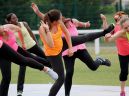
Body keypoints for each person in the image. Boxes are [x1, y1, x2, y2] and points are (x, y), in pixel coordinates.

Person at [31, 3, 114, 96]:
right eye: (60, 18)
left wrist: (70, 48)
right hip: (53, 54)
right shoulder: (43, 29)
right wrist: (47, 31)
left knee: (84, 38)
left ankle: (104, 32)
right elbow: (50, 45)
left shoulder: (58, 22)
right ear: (55, 21)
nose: (62, 19)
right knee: (61, 79)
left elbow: (66, 33)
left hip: (62, 43)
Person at [0, 24, 58, 96]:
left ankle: (47, 68)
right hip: (2, 55)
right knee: (6, 77)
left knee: (25, 60)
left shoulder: (8, 27)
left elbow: (19, 29)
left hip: (15, 49)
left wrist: (23, 43)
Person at [62, 17, 112, 96]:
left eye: (68, 21)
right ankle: (67, 94)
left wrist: (86, 24)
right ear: (62, 23)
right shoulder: (58, 29)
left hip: (80, 49)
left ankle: (99, 60)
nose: (68, 23)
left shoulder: (73, 21)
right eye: (65, 22)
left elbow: (81, 24)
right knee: (69, 73)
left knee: (93, 67)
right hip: (68, 53)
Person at [101, 11, 129, 96]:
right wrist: (107, 37)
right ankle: (122, 91)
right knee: (124, 72)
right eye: (126, 27)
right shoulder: (118, 30)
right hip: (123, 53)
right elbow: (108, 38)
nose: (127, 28)